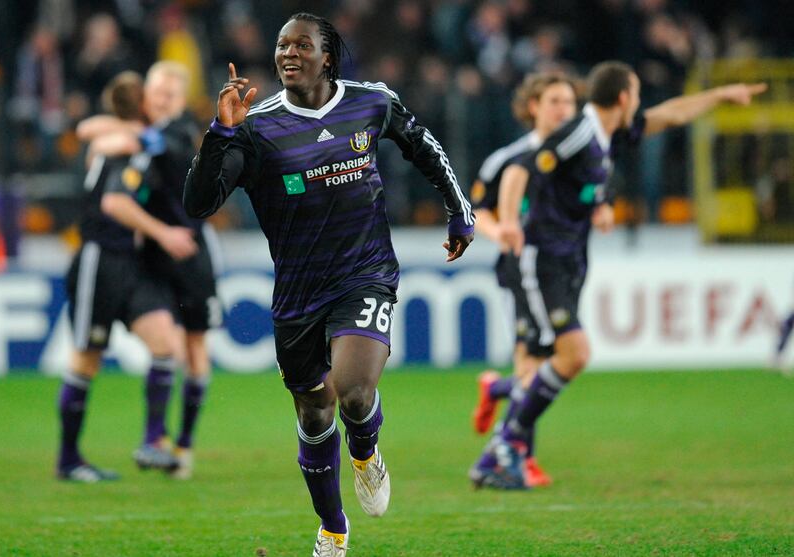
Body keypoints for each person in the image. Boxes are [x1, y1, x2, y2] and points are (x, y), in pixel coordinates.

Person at [183, 12, 474, 556]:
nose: (288, 54)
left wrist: (458, 209)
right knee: (314, 411)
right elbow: (198, 203)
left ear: (327, 56)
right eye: (281, 45)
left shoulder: (371, 102)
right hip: (297, 294)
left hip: (365, 274)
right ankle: (334, 528)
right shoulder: (256, 125)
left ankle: (365, 451)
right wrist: (220, 132)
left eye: (301, 45)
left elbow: (423, 145)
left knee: (355, 392)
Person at [488, 61, 766, 489]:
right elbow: (519, 169)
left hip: (570, 260)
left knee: (550, 360)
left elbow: (671, 114)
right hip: (543, 260)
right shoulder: (580, 132)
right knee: (568, 355)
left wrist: (720, 97)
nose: (639, 102)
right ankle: (506, 446)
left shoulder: (609, 133)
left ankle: (501, 430)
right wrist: (508, 224)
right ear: (624, 98)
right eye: (636, 93)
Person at [78, 61, 220, 479]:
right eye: (155, 92)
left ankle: (184, 446)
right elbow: (88, 129)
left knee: (195, 347)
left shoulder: (179, 133)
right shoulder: (143, 131)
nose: (160, 100)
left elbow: (113, 138)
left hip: (191, 252)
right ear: (146, 94)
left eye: (169, 95)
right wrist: (111, 135)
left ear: (179, 100)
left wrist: (113, 138)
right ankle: (155, 439)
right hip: (156, 254)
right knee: (169, 345)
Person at [469, 72, 579, 490]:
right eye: (555, 101)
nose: (564, 110)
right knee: (541, 362)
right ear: (533, 106)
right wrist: (503, 234)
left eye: (569, 102)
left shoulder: (575, 157)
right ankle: (521, 457)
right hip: (522, 269)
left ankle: (498, 389)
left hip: (561, 268)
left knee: (545, 364)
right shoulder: (508, 159)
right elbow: (477, 210)